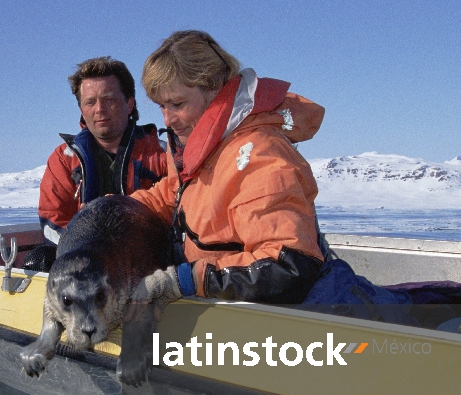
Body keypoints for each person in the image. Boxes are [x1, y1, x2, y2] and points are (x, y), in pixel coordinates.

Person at [127, 30, 326, 313]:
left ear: (213, 88)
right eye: (162, 106)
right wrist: (112, 211)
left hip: (283, 322)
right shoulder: (198, 150)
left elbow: (288, 267)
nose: (168, 120)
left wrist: (188, 280)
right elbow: (175, 195)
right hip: (225, 312)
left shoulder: (257, 154)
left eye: (178, 104)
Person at [38, 57, 168, 245]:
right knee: (39, 258)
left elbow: (180, 216)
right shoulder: (64, 159)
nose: (99, 109)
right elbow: (52, 221)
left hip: (149, 262)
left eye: (109, 99)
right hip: (83, 261)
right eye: (90, 102)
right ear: (81, 109)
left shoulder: (163, 155)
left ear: (129, 104)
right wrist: (87, 247)